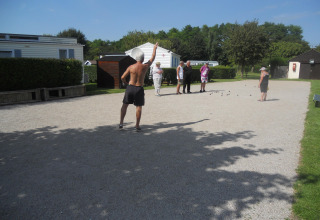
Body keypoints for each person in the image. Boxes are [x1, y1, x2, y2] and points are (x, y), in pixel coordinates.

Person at [119, 42, 158, 131]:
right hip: (139, 88)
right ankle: (137, 125)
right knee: (138, 107)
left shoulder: (131, 67)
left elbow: (122, 77)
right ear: (143, 58)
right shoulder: (145, 66)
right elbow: (152, 58)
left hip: (130, 87)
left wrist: (125, 82)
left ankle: (121, 123)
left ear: (136, 58)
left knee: (125, 105)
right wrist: (154, 48)